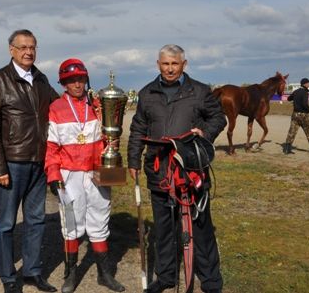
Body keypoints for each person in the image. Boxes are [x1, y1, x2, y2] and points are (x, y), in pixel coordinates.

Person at [127, 44, 226, 293]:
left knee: (201, 227)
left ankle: (211, 280)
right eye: (165, 63)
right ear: (158, 64)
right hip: (159, 171)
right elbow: (138, 128)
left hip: (192, 171)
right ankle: (166, 276)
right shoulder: (147, 93)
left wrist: (205, 133)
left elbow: (218, 118)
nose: (170, 68)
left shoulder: (200, 91)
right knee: (164, 229)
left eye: (174, 63)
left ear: (184, 64)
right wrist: (132, 160)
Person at [0, 29, 59, 293]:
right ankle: (8, 277)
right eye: (23, 47)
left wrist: (86, 106)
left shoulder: (41, 79)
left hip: (38, 162)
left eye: (33, 47)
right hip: (12, 163)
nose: (29, 52)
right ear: (11, 49)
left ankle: (33, 272)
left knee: (36, 220)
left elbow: (59, 107)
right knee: (6, 224)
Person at [45, 59, 125, 293]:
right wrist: (52, 173)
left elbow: (110, 135)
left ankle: (104, 273)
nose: (77, 84)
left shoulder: (98, 105)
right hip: (70, 175)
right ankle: (70, 274)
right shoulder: (57, 108)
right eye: (71, 80)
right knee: (71, 223)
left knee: (100, 220)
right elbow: (51, 147)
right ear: (64, 83)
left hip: (97, 172)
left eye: (80, 79)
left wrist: (114, 151)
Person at [282, 78, 309, 154]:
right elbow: (305, 104)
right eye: (308, 83)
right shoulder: (304, 92)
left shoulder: (296, 91)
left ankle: (287, 149)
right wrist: (308, 109)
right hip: (303, 115)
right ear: (305, 84)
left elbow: (288, 98)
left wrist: (295, 99)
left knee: (292, 131)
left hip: (295, 114)